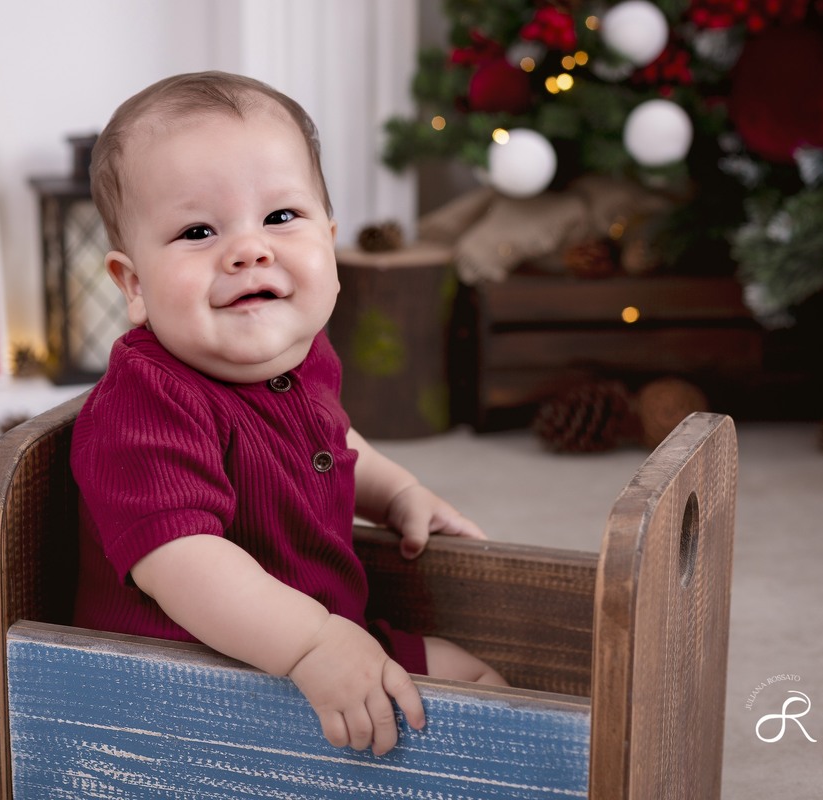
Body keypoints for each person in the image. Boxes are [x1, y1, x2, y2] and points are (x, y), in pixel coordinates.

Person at [71, 70, 506, 757]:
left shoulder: (299, 358)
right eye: (197, 230)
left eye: (280, 217)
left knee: (474, 677)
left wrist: (395, 492)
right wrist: (311, 645)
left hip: (326, 634)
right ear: (133, 284)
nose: (249, 249)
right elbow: (182, 559)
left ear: (328, 245)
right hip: (193, 689)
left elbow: (330, 439)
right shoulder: (145, 401)